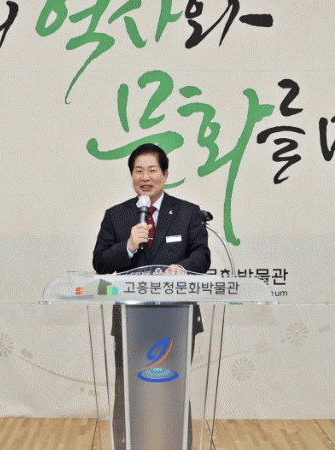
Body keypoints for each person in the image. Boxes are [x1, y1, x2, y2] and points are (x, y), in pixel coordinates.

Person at [92, 143, 211, 450]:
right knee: (128, 388)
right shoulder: (117, 216)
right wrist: (129, 245)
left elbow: (202, 255)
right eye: (138, 171)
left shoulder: (187, 213)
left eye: (152, 170)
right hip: (131, 319)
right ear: (132, 175)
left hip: (177, 318)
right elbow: (100, 263)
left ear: (165, 174)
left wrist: (181, 268)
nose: (145, 177)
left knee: (173, 386)